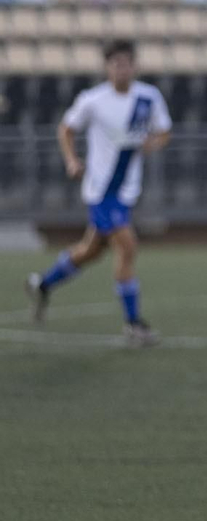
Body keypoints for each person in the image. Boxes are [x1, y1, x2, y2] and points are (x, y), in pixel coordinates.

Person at [26, 39, 170, 346]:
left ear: (135, 65)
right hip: (102, 190)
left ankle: (42, 284)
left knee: (91, 251)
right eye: (116, 63)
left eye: (127, 62)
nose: (122, 68)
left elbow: (164, 131)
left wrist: (152, 144)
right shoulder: (93, 100)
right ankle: (133, 324)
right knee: (127, 246)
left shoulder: (148, 96)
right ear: (107, 67)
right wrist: (72, 160)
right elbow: (66, 128)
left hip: (127, 188)